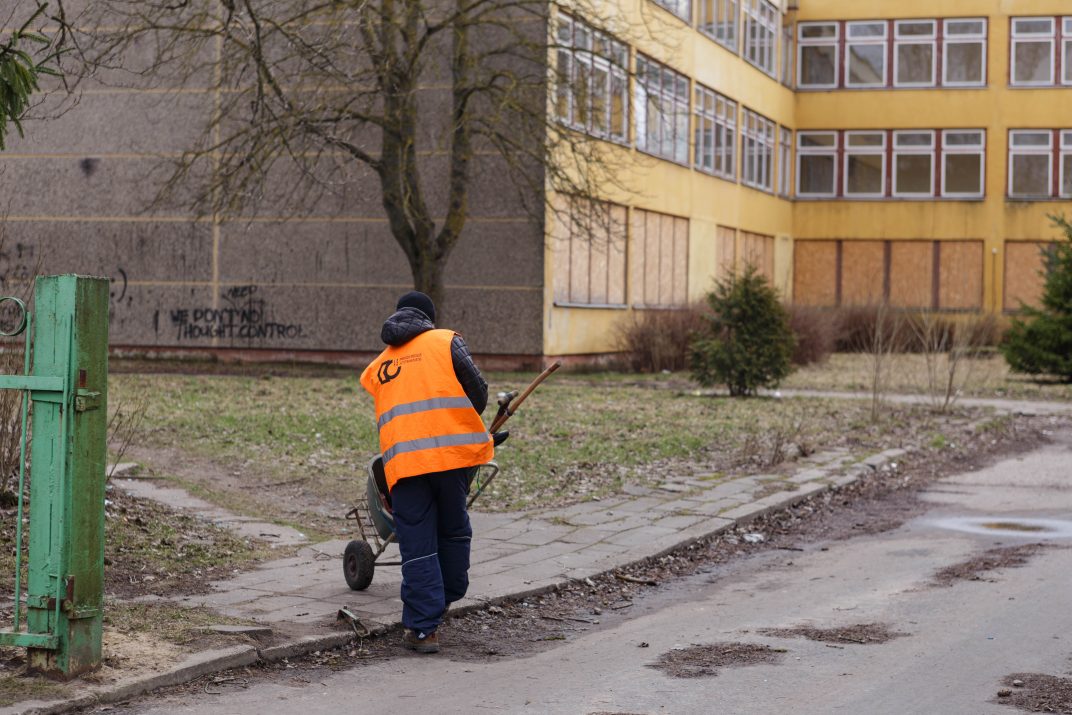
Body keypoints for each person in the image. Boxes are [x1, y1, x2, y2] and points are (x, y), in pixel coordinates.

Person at [359, 290, 492, 654]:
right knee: (452, 531)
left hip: (405, 465)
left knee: (417, 544)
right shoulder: (446, 341)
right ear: (428, 318)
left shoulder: (379, 366)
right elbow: (478, 393)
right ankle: (444, 598)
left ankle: (423, 630)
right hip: (451, 460)